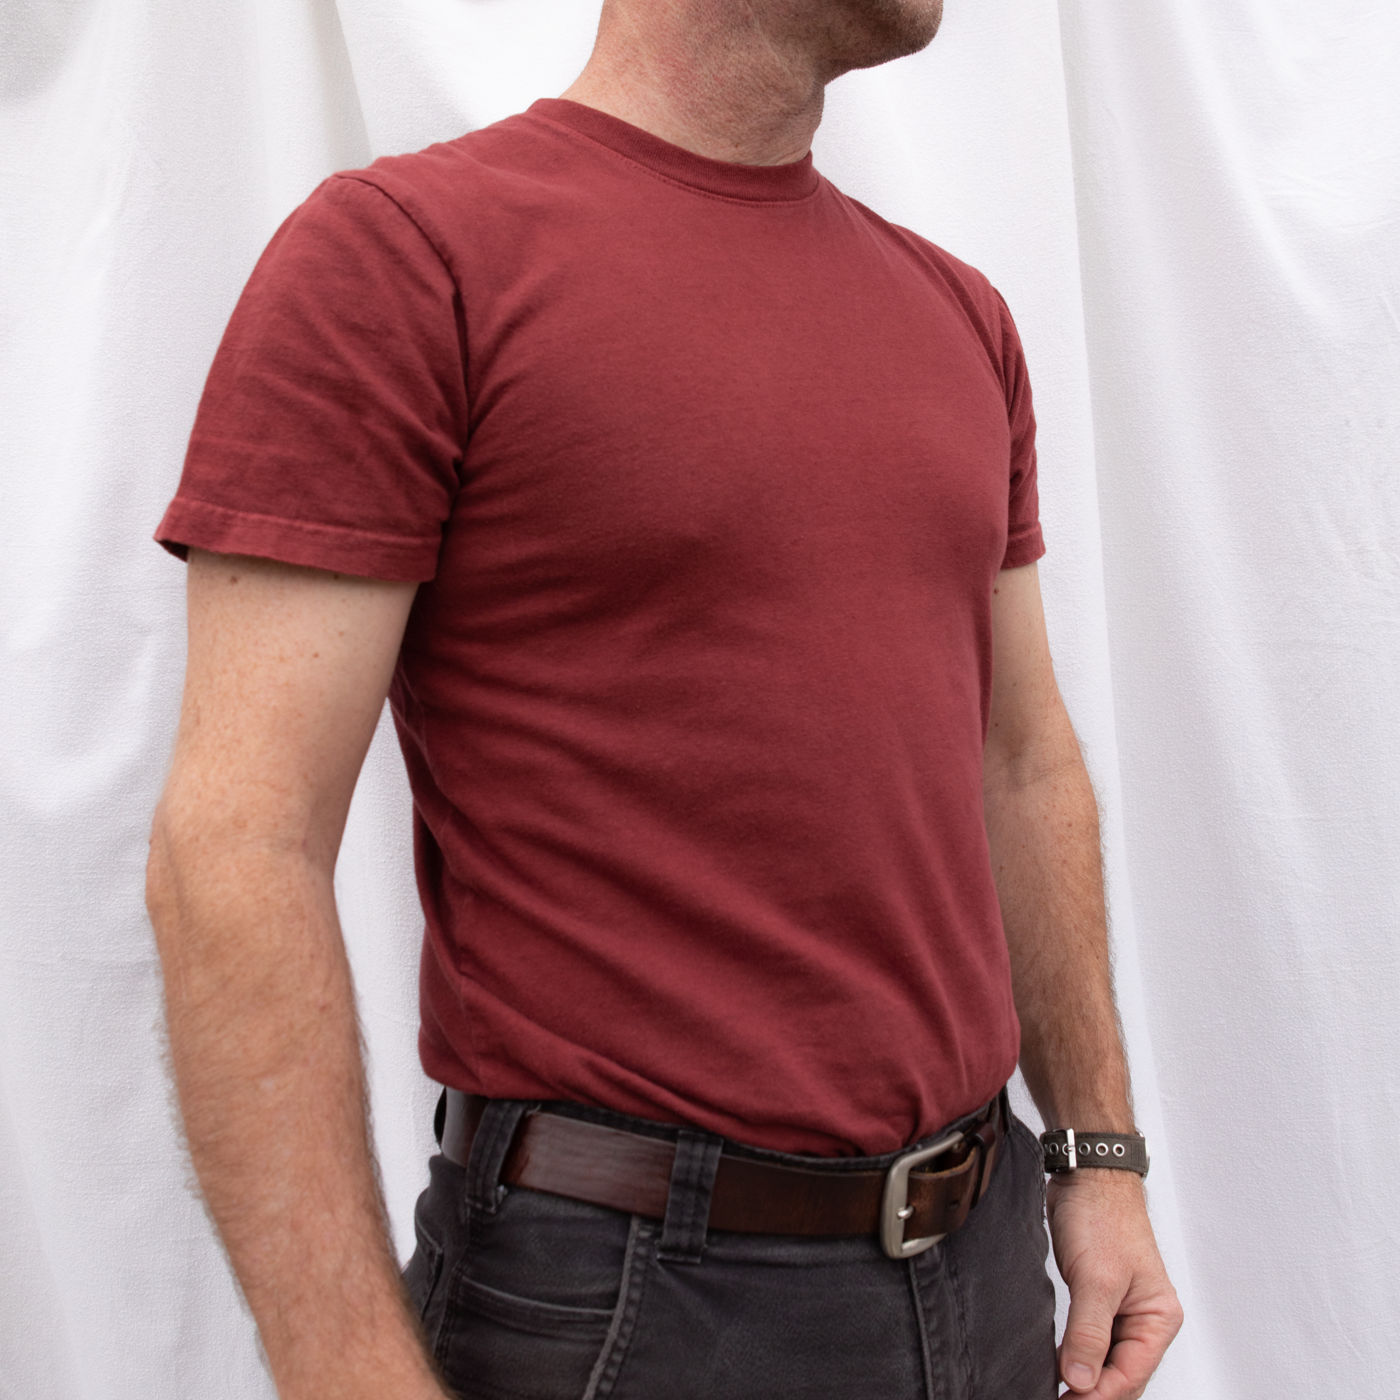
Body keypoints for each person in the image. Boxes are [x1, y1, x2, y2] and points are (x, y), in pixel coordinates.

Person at [145, 1, 1182, 1397]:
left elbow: (1024, 762)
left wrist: (1098, 1158)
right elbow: (235, 852)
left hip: (985, 1269)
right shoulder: (405, 258)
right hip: (628, 1299)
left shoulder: (957, 315)